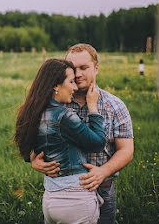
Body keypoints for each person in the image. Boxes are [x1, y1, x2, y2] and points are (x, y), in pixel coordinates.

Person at [31, 44, 134, 224]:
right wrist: (34, 160)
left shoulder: (115, 105)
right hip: (62, 193)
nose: (77, 74)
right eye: (72, 68)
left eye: (83, 68)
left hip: (103, 188)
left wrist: (103, 172)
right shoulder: (58, 102)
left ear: (96, 68)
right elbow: (36, 136)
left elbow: (126, 150)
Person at [14, 58, 107, 224]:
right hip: (74, 199)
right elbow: (98, 143)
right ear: (56, 85)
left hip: (50, 199)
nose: (75, 87)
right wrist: (93, 108)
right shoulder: (64, 116)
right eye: (71, 81)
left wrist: (34, 160)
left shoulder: (33, 112)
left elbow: (25, 150)